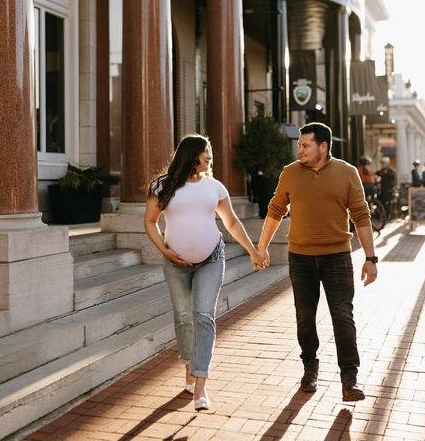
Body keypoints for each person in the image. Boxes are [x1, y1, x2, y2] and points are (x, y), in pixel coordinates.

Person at [257, 122, 377, 402]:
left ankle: (349, 378)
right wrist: (261, 248)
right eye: (299, 144)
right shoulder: (289, 173)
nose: (299, 149)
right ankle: (310, 368)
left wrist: (370, 258)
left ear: (323, 146)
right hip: (300, 258)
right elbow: (276, 210)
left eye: (305, 144)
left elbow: (361, 215)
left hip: (337, 257)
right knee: (304, 316)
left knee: (343, 317)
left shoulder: (347, 173)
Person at [144, 134, 264, 411]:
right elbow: (150, 222)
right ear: (190, 155)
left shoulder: (215, 187)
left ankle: (200, 383)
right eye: (205, 151)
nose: (209, 155)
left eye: (210, 150)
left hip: (211, 258)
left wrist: (253, 251)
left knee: (203, 315)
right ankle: (189, 365)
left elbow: (231, 223)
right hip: (175, 263)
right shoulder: (162, 186)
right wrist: (164, 249)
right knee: (184, 316)